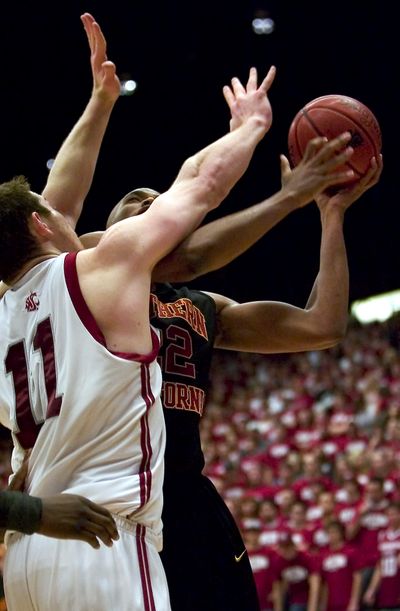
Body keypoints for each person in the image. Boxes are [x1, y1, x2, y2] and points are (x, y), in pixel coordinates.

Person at [0, 16, 279, 611]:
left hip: (28, 546)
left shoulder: (5, 312)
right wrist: (250, 129)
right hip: (102, 535)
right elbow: (198, 186)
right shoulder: (104, 268)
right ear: (39, 224)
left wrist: (101, 102)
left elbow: (61, 199)